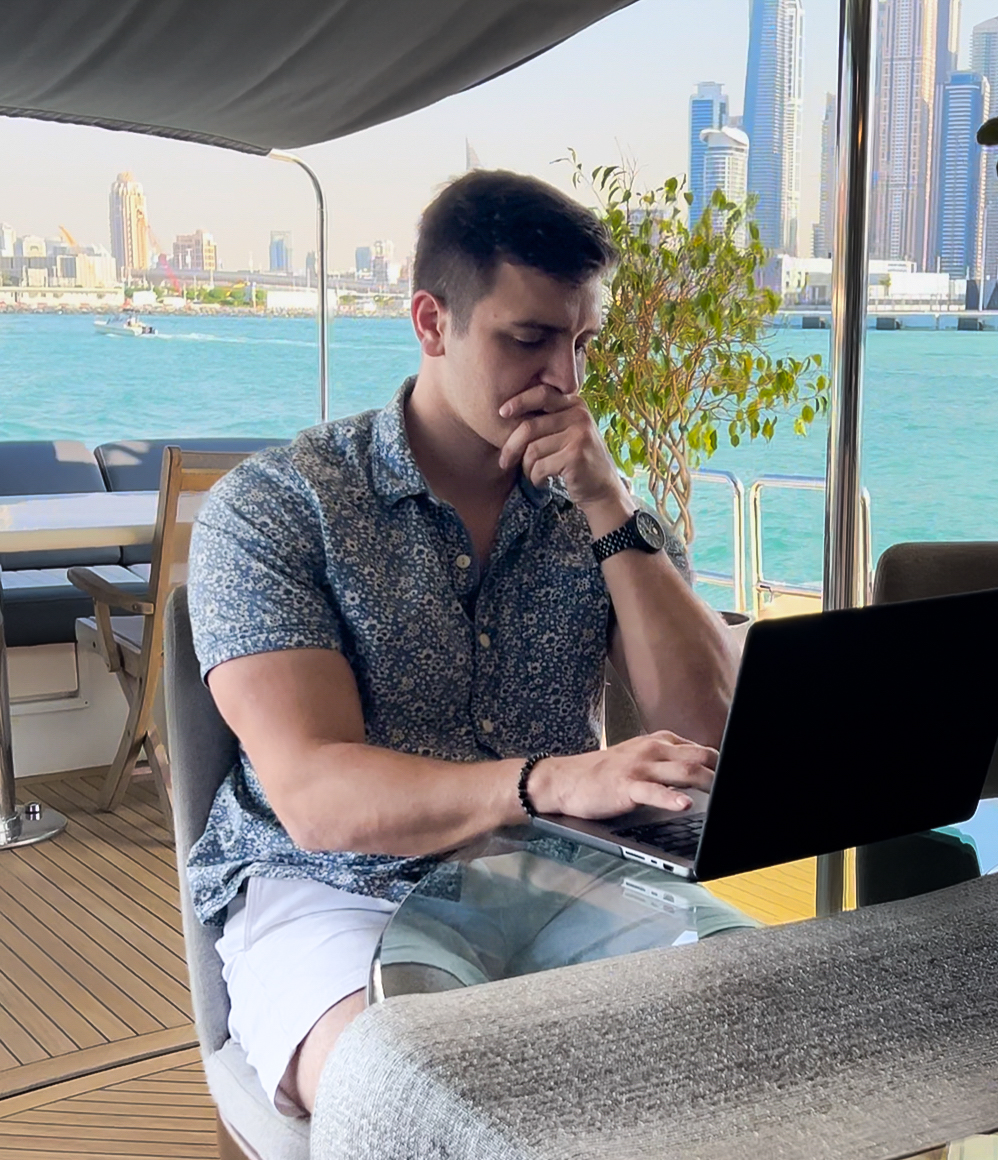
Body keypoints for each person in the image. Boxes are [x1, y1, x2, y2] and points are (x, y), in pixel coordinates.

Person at [186, 169, 757, 1118]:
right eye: (528, 339)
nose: (566, 380)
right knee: (413, 1095)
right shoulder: (281, 508)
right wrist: (549, 782)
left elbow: (714, 724)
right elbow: (317, 798)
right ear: (432, 322)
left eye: (581, 343)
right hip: (333, 890)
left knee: (767, 1014)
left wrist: (609, 505)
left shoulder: (602, 511)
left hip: (563, 873)